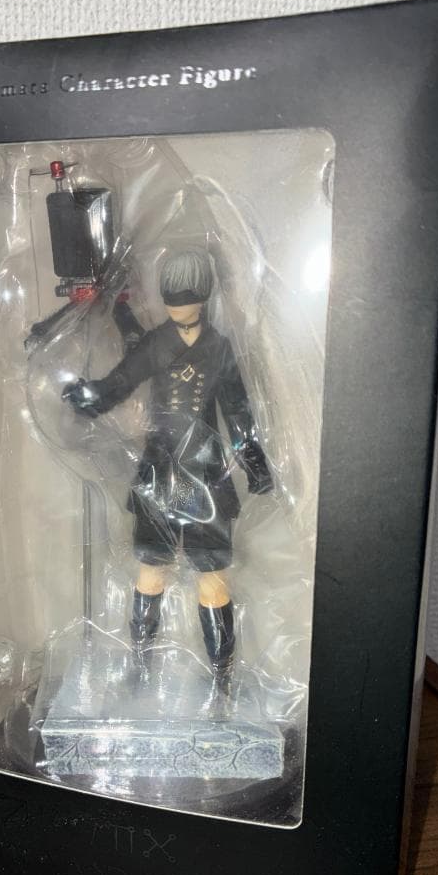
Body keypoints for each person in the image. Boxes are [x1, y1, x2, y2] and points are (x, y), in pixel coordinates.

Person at [62, 249, 272, 695]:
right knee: (151, 571)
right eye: (172, 298)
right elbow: (120, 382)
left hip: (205, 477)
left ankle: (221, 680)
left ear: (202, 297)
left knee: (212, 578)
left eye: (186, 298)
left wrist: (254, 462)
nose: (177, 307)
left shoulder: (219, 347)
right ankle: (140, 669)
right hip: (160, 471)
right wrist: (89, 398)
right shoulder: (156, 343)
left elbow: (238, 412)